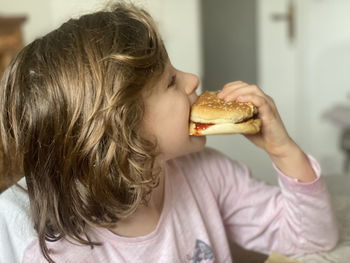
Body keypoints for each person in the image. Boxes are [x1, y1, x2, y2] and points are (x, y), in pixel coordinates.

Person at [0, 2, 338, 263]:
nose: (193, 80)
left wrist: (284, 152)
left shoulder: (208, 173)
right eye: (171, 81)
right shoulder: (57, 249)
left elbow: (311, 239)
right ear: (121, 127)